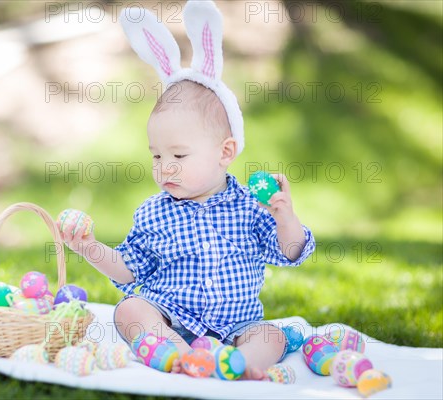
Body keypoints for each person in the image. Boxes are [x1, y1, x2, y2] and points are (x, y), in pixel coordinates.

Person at [57, 79, 316, 380]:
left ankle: (238, 363)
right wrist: (89, 247)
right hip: (171, 318)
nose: (165, 166)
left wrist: (286, 219)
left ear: (225, 153)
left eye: (179, 156)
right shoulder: (153, 212)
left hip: (237, 325)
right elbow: (128, 270)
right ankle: (180, 355)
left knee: (271, 335)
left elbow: (291, 253)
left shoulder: (251, 206)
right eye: (157, 156)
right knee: (130, 310)